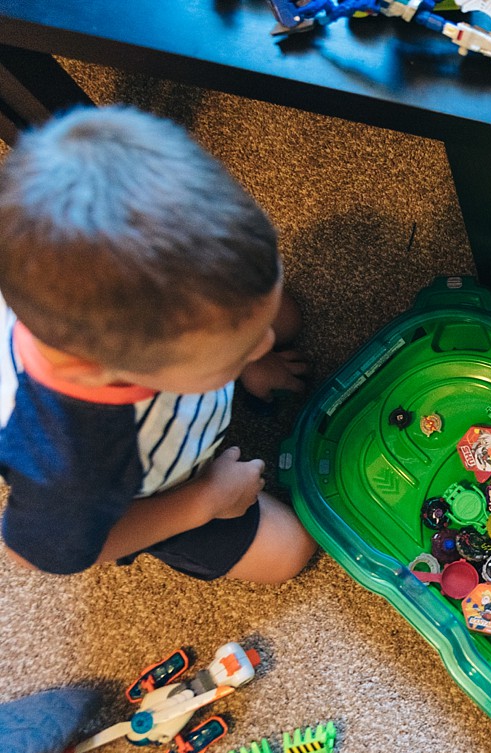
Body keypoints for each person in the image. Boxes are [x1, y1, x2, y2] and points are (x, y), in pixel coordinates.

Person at [0, 105, 316, 584]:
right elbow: (40, 553)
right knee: (289, 552)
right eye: (240, 348)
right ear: (99, 369)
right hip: (159, 489)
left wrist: (243, 351)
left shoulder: (77, 297)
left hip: (168, 396)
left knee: (286, 315)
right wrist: (204, 501)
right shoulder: (72, 473)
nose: (265, 341)